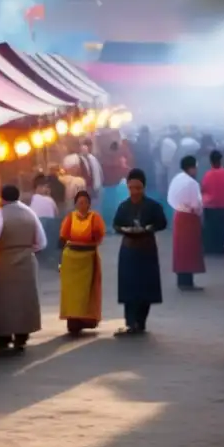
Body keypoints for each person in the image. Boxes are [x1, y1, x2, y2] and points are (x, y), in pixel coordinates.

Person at [0, 185, 47, 351]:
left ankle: (4, 337)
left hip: (6, 261)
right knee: (24, 300)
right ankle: (22, 336)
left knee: (5, 301)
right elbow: (42, 242)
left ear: (1, 198)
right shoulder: (29, 213)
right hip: (27, 260)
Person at [113, 168, 168, 335]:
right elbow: (116, 224)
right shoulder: (123, 207)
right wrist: (124, 229)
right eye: (131, 188)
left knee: (145, 287)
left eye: (138, 188)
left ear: (143, 188)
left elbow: (162, 223)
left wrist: (150, 227)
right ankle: (130, 322)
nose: (135, 192)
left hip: (146, 250)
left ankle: (141, 321)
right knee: (129, 287)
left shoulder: (153, 206)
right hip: (129, 250)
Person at [59, 190, 106, 335]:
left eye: (85, 202)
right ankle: (73, 321)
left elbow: (99, 235)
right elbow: (63, 236)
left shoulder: (95, 217)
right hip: (71, 260)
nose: (83, 205)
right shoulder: (70, 217)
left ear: (89, 204)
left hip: (88, 258)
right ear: (75, 204)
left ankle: (87, 320)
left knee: (88, 291)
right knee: (71, 292)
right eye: (80, 202)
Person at [168, 155, 206, 289]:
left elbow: (170, 198)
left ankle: (182, 279)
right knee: (190, 250)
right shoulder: (192, 183)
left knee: (180, 249)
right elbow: (197, 204)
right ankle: (188, 281)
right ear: (191, 168)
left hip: (178, 215)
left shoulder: (176, 179)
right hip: (190, 217)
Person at [201, 149, 224, 255]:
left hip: (210, 206)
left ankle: (210, 249)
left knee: (210, 229)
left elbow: (204, 189)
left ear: (210, 161)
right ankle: (222, 249)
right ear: (221, 160)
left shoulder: (207, 175)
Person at [80, 139, 105, 210]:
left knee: (96, 209)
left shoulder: (93, 158)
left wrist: (100, 184)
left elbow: (99, 172)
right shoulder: (80, 159)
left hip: (97, 187)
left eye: (90, 145)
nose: (89, 147)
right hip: (87, 189)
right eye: (87, 145)